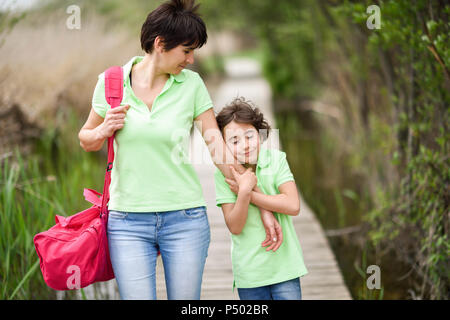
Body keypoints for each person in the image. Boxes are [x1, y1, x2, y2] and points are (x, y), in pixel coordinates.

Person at [78, 0, 283, 300]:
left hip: (184, 219)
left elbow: (217, 149)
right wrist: (103, 129)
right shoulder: (111, 83)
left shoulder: (191, 85)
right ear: (160, 43)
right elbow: (86, 139)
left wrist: (259, 202)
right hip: (127, 222)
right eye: (186, 50)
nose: (190, 59)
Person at [214, 97, 309, 300]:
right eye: (234, 141)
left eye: (249, 136)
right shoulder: (223, 174)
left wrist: (250, 194)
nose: (245, 145)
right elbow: (235, 226)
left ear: (260, 133)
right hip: (250, 273)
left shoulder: (276, 160)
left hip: (285, 268)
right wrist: (244, 193)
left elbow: (293, 205)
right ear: (223, 145)